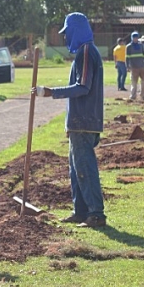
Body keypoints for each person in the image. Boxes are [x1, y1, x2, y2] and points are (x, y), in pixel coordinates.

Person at [35, 12, 106, 228]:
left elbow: (83, 86)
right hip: (79, 122)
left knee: (84, 167)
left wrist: (51, 92)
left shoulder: (85, 52)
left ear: (76, 31)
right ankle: (81, 211)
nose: (66, 38)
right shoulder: (86, 52)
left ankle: (96, 214)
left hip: (84, 122)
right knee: (76, 169)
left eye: (67, 33)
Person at [125, 32, 144, 101]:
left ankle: (143, 95)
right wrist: (127, 66)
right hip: (134, 67)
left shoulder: (140, 45)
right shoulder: (129, 47)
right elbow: (127, 58)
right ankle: (133, 96)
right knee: (134, 82)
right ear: (132, 38)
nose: (136, 39)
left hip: (141, 66)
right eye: (134, 37)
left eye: (136, 37)